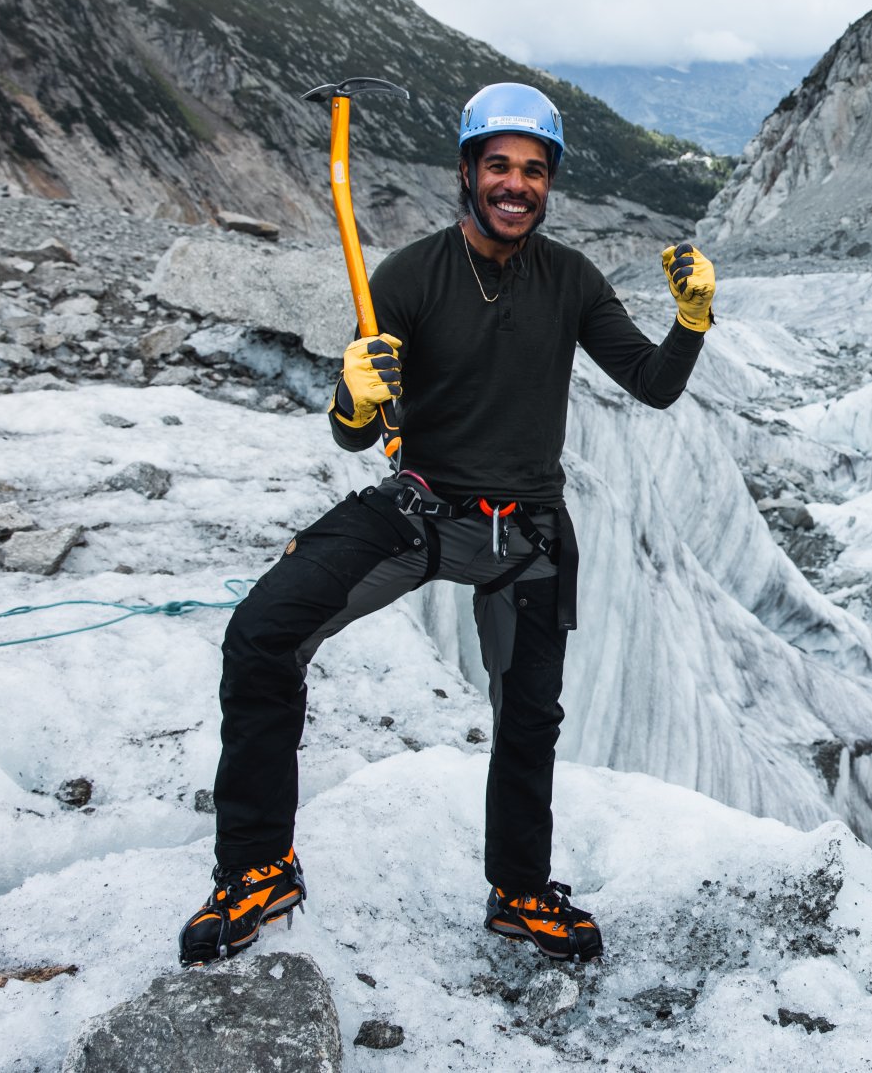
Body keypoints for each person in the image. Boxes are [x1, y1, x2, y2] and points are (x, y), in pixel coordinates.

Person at [177, 82, 716, 967]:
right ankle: (257, 866)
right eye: (499, 166)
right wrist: (353, 396)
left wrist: (690, 325)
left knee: (529, 718)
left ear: (550, 184)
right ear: (466, 173)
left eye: (534, 171)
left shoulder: (571, 279)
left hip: (528, 537)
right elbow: (356, 428)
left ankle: (520, 891)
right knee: (264, 634)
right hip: (420, 513)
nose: (516, 185)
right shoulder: (409, 276)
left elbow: (653, 383)